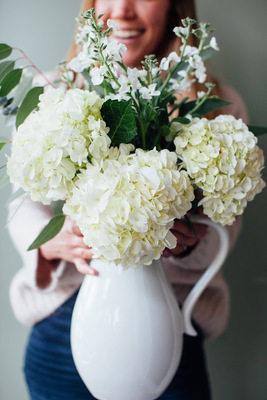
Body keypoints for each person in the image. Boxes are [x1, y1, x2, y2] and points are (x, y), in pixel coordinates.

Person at [8, 0, 248, 399]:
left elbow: (229, 220)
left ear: (174, 8)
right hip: (62, 328)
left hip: (172, 324)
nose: (121, 11)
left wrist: (188, 244)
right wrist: (49, 243)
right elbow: (22, 203)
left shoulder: (214, 106)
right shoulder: (52, 91)